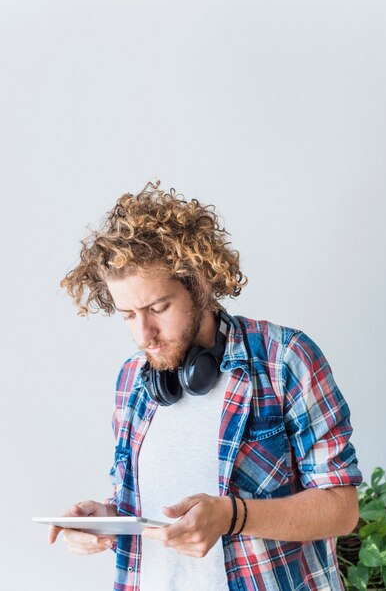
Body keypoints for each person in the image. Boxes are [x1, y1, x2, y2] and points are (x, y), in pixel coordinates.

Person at [49, 180, 363, 591]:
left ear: (198, 284)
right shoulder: (132, 381)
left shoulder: (284, 359)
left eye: (158, 307)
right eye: (127, 315)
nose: (145, 333)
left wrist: (233, 516)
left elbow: (341, 508)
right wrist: (106, 518)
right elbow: (150, 510)